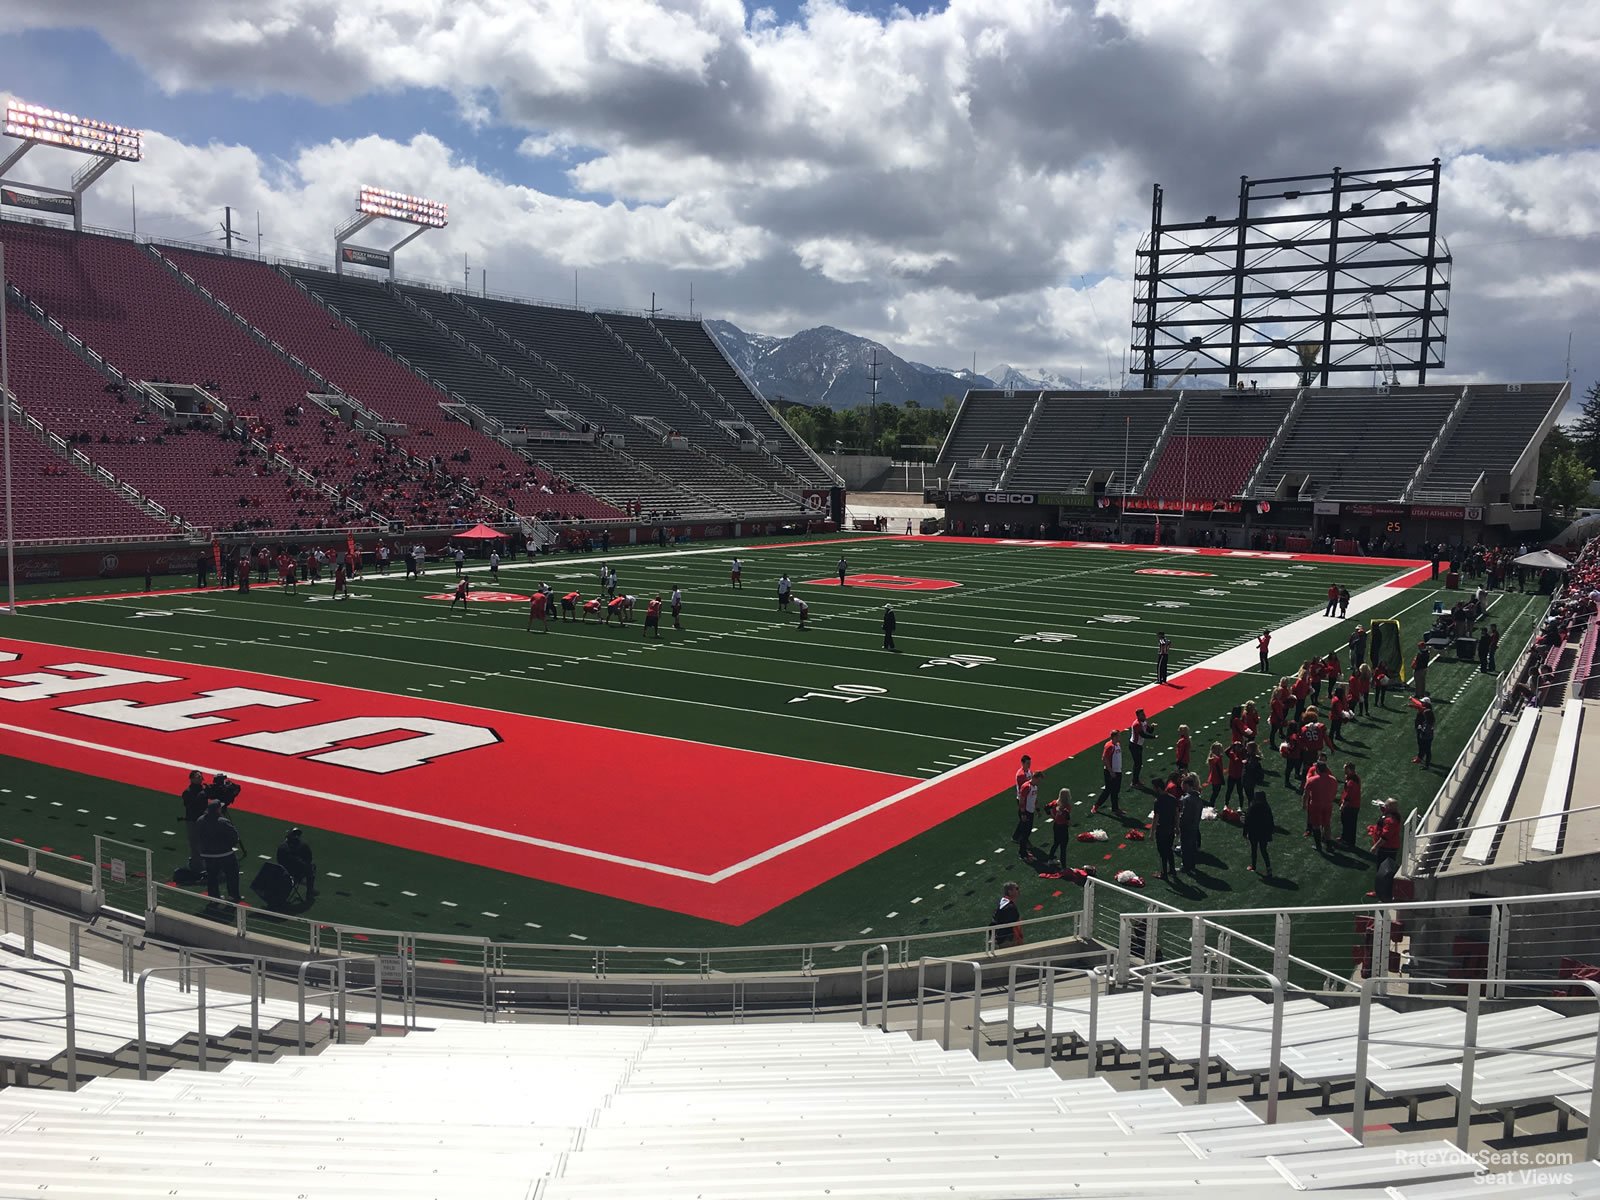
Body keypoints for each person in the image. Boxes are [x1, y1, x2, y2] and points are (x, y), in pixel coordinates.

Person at [197, 800, 245, 903]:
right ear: (218, 809)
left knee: (212, 876)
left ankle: (214, 897)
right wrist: (229, 845)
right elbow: (235, 836)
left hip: (208, 855)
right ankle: (233, 896)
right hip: (225, 854)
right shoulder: (223, 821)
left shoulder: (200, 820)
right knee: (232, 875)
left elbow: (198, 836)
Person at [1302, 753, 1337, 853]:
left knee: (1316, 825)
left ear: (1317, 770)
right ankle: (1329, 845)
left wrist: (1304, 804)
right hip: (1328, 805)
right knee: (1327, 825)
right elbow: (1334, 793)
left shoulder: (1312, 780)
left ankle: (1318, 846)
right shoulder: (1333, 780)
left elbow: (1306, 794)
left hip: (1316, 805)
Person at [1371, 799, 1403, 900]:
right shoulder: (1391, 815)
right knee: (1385, 869)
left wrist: (1375, 846)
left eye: (1386, 805)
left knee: (1383, 870)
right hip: (1389, 847)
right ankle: (1382, 890)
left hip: (1387, 848)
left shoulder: (1391, 821)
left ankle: (1381, 892)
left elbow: (1385, 837)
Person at [179, 769, 210, 876]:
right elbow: (191, 805)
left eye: (201, 776)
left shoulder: (203, 791)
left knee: (204, 843)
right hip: (193, 821)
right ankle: (197, 867)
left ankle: (204, 864)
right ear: (191, 779)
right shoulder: (188, 792)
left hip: (203, 820)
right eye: (198, 776)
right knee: (195, 844)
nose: (200, 778)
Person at [276, 827, 316, 899]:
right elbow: (309, 859)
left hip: (283, 871)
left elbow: (279, 860)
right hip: (298, 872)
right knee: (311, 868)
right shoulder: (303, 846)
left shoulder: (282, 847)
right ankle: (309, 892)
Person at [1243, 788, 1274, 876]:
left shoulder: (1252, 807)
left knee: (1254, 849)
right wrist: (1271, 831)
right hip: (1264, 833)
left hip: (1254, 832)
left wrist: (1245, 833)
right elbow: (1271, 820)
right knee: (1264, 850)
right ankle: (1269, 868)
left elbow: (1247, 821)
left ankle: (1253, 866)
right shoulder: (1266, 807)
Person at [1092, 730, 1123, 815]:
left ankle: (1115, 808)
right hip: (1111, 772)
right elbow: (1104, 759)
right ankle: (1096, 806)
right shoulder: (1109, 746)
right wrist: (1111, 771)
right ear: (1114, 736)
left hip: (1118, 771)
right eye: (1118, 736)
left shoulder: (1117, 745)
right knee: (1108, 790)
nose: (1119, 737)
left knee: (1116, 791)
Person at [1152, 777, 1178, 880]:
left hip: (1161, 830)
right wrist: (1177, 827)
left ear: (1158, 788)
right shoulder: (1172, 798)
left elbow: (1156, 818)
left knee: (1162, 852)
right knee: (1169, 849)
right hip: (1171, 829)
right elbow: (1176, 814)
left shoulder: (1158, 801)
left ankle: (1164, 873)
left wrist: (1151, 833)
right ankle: (1172, 870)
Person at [1178, 773, 1204, 874]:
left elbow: (1184, 815)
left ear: (1187, 785)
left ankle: (1186, 866)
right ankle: (1192, 865)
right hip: (1195, 825)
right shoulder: (1198, 798)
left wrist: (1179, 824)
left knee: (1185, 847)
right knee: (1192, 846)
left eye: (1183, 784)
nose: (1181, 786)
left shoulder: (1187, 799)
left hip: (1187, 826)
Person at [1046, 788, 1072, 873]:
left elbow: (1046, 807)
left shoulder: (1054, 803)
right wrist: (1069, 823)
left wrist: (1052, 816)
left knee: (1056, 843)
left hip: (1056, 826)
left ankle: (1050, 859)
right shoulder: (1067, 806)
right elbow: (1067, 819)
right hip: (1063, 827)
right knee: (1063, 847)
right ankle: (1064, 867)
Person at [991, 882, 1022, 949]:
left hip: (1002, 938)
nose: (1018, 890)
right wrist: (1018, 938)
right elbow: (1015, 924)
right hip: (1008, 939)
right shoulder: (1009, 907)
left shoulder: (1002, 904)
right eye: (1016, 889)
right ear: (1010, 892)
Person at [1014, 777, 1039, 861]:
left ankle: (1024, 851)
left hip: (1030, 812)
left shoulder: (1035, 787)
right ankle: (1022, 853)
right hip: (1026, 812)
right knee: (1025, 833)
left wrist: (1037, 809)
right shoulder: (1026, 786)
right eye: (1039, 780)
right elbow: (1021, 801)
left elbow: (1034, 799)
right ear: (1035, 778)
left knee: (1027, 832)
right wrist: (1023, 813)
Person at [1340, 762, 1363, 848]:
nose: (1344, 770)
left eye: (1345, 769)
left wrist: (1343, 805)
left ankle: (1348, 841)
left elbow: (1349, 796)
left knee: (1349, 823)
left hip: (1351, 806)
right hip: (1354, 805)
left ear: (1349, 769)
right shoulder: (1354, 778)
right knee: (1348, 823)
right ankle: (1344, 838)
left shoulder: (1351, 782)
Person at [1128, 709, 1153, 786]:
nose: (1144, 715)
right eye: (1142, 714)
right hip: (1134, 745)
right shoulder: (1137, 724)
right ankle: (1134, 781)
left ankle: (1136, 780)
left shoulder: (1144, 721)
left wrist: (1152, 727)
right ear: (1138, 716)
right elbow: (1143, 735)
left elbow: (1149, 731)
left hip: (1139, 745)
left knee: (1138, 764)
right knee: (1137, 764)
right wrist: (1154, 737)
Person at [1413, 696, 1435, 767]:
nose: (1421, 703)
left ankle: (1422, 760)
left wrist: (1420, 728)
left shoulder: (1426, 711)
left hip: (1426, 736)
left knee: (1425, 748)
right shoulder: (1427, 715)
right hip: (1425, 734)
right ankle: (1420, 757)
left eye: (1423, 702)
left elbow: (1426, 730)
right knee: (1422, 746)